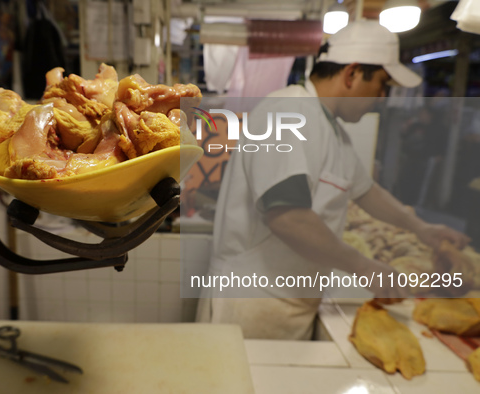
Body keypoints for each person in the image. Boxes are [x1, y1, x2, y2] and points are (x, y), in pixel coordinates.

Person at [195, 21, 470, 340]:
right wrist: (364, 267)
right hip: (252, 302)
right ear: (352, 74)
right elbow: (289, 218)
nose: (382, 97)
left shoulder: (333, 132)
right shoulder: (286, 112)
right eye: (382, 84)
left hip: (290, 300)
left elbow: (368, 192)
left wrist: (424, 230)